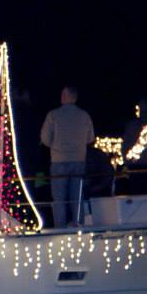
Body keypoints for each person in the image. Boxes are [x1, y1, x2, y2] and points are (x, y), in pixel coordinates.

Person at [39, 86, 95, 226]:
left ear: (66, 97)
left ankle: (61, 227)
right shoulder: (84, 115)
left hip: (59, 160)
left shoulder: (53, 115)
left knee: (59, 199)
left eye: (63, 94)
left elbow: (45, 139)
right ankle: (78, 224)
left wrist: (55, 145)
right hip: (79, 160)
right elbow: (90, 138)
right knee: (77, 197)